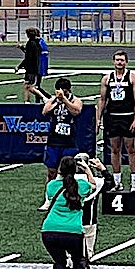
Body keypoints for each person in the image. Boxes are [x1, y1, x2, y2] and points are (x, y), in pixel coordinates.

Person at [41, 155, 96, 269]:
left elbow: (55, 187)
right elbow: (94, 185)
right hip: (73, 231)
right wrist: (87, 169)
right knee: (78, 261)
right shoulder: (81, 185)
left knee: (59, 261)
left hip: (49, 230)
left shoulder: (52, 186)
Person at [34, 77, 83, 211]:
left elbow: (76, 111)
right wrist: (56, 101)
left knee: (70, 172)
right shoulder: (52, 100)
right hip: (54, 141)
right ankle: (48, 199)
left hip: (69, 142)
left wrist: (65, 100)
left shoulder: (75, 100)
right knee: (51, 171)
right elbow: (45, 111)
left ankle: (71, 196)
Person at [96, 50, 135, 192]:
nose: (119, 62)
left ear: (126, 62)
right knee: (115, 150)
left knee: (131, 149)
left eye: (122, 60)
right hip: (113, 117)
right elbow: (102, 100)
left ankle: (134, 181)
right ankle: (117, 182)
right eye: (117, 60)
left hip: (127, 116)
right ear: (113, 61)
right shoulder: (107, 79)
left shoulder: (132, 77)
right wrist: (98, 119)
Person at [75, 153, 110, 262]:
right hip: (88, 220)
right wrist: (102, 168)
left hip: (70, 220)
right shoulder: (96, 181)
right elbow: (111, 183)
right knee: (87, 253)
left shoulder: (66, 181)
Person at [16, 26, 42, 103]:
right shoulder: (37, 43)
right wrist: (22, 48)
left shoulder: (30, 43)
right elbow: (29, 53)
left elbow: (28, 57)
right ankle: (27, 101)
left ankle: (43, 97)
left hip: (30, 68)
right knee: (28, 86)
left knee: (29, 86)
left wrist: (19, 66)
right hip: (35, 67)